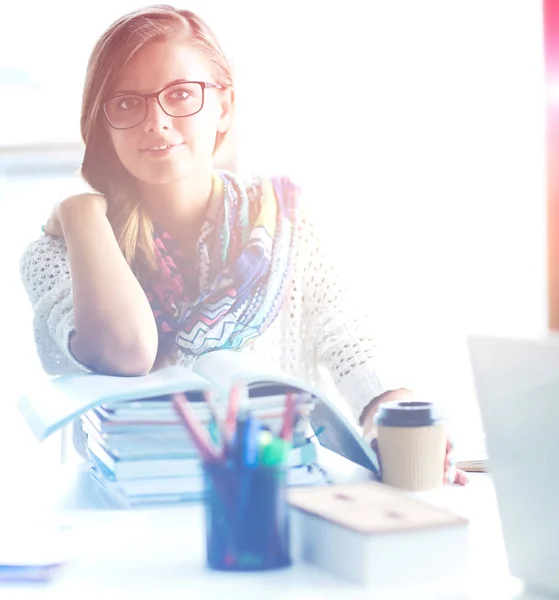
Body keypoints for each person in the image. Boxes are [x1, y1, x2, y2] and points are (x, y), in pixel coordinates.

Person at [20, 5, 467, 485]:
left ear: (224, 106)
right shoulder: (59, 254)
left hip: (272, 503)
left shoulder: (283, 219)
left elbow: (352, 346)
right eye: (128, 103)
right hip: (129, 515)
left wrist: (394, 416)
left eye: (181, 95)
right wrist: (81, 212)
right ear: (102, 121)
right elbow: (126, 351)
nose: (157, 120)